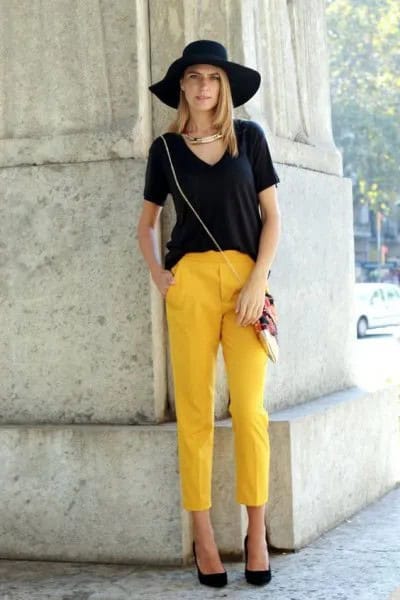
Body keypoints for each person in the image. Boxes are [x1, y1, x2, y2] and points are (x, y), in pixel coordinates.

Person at [137, 40, 281, 587]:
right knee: (195, 414)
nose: (203, 86)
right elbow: (147, 224)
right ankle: (202, 537)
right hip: (190, 286)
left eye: (213, 78)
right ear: (183, 86)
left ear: (225, 87)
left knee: (249, 411)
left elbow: (272, 218)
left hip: (248, 284)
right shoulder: (165, 149)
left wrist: (258, 280)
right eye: (194, 77)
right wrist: (160, 274)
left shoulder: (250, 139)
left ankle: (255, 532)